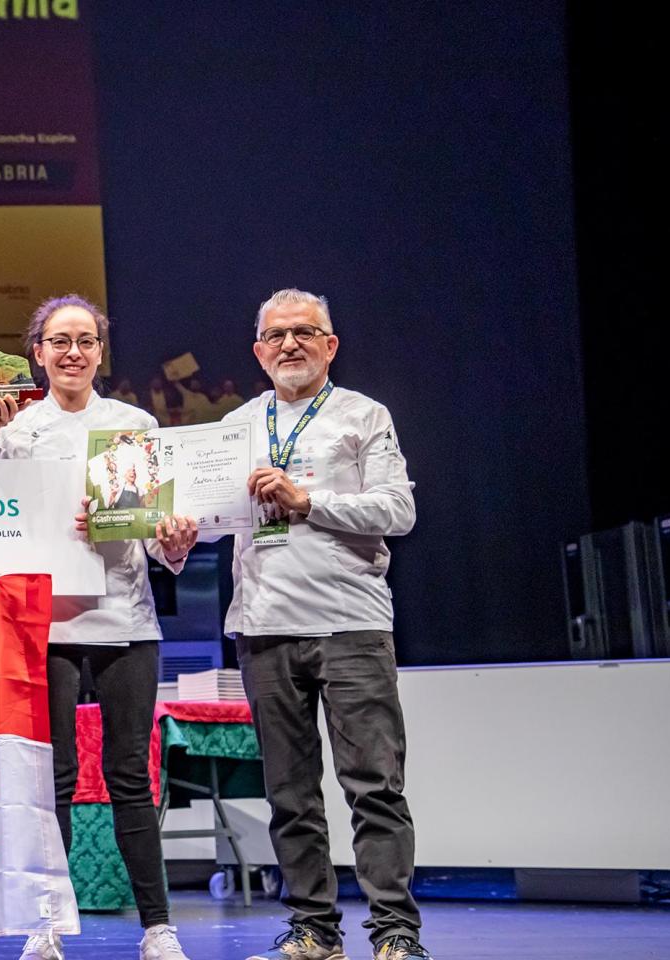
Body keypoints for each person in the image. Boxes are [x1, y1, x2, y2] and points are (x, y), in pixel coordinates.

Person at [0, 295, 199, 960]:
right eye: (59, 340)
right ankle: (45, 925)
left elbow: (157, 540)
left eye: (86, 340)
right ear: (36, 353)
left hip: (126, 620)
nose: (73, 352)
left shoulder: (130, 424)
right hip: (45, 628)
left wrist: (175, 542)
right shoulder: (14, 430)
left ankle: (158, 927)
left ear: (101, 352)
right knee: (54, 779)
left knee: (130, 775)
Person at [228, 289, 431, 960]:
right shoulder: (233, 429)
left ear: (330, 345)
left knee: (374, 786)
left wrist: (307, 500)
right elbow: (204, 523)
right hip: (263, 623)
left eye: (304, 332)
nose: (290, 344)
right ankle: (314, 930)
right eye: (276, 335)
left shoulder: (363, 416)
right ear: (258, 351)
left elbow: (398, 510)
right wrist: (171, 534)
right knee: (289, 797)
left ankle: (395, 933)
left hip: (351, 623)